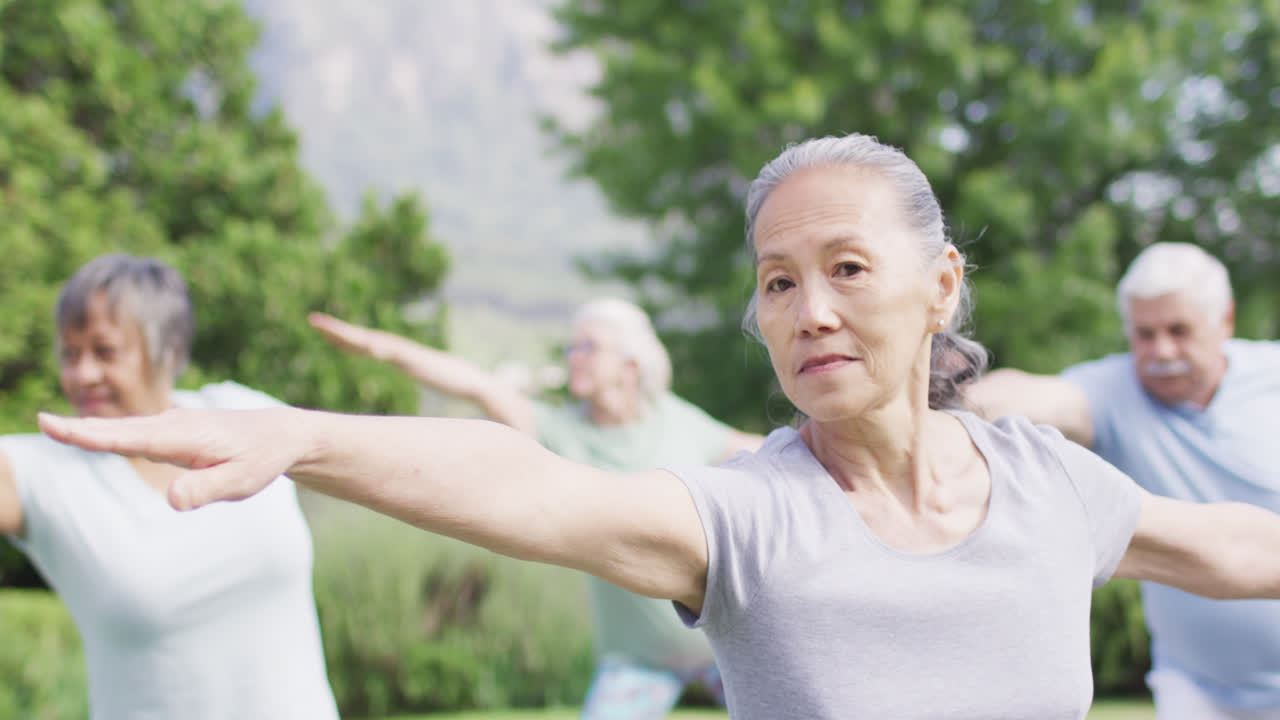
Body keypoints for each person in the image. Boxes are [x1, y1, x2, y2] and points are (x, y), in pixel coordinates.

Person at [35, 135, 1280, 720]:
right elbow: (525, 483)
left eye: (845, 267)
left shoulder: (1047, 485)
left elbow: (1232, 548)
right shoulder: (742, 515)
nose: (807, 309)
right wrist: (309, 437)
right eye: (778, 281)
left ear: (941, 282)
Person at [308, 298, 762, 718]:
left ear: (630, 364)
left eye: (588, 346)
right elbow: (476, 384)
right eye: (571, 345)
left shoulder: (680, 422)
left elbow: (767, 456)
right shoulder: (557, 431)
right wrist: (379, 347)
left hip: (717, 646)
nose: (573, 355)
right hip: (637, 660)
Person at [0, 254, 338, 720]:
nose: (81, 374)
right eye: (69, 353)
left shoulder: (242, 413)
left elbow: (367, 464)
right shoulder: (46, 470)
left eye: (104, 351)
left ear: (168, 351)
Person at [966, 241, 1280, 720]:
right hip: (1196, 687)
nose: (1162, 351)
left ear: (1226, 322)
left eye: (1179, 331)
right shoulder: (1114, 392)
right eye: (1144, 334)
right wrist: (947, 403)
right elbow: (1033, 395)